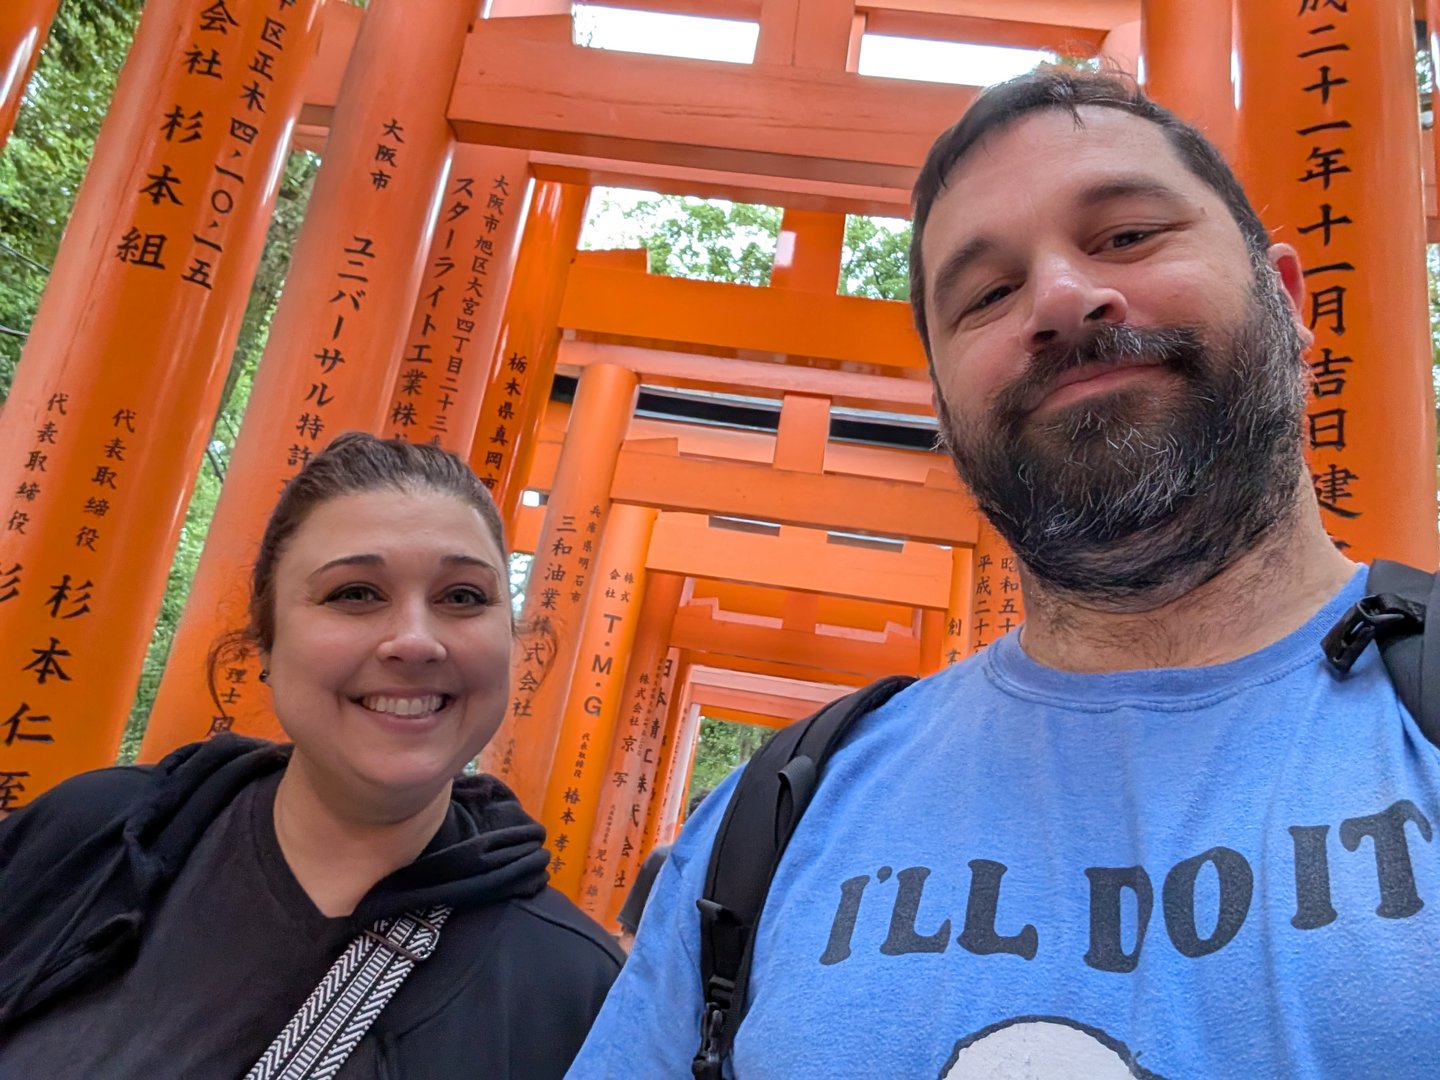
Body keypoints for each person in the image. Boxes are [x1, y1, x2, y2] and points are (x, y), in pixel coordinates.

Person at [565, 69, 1440, 1079]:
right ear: (945, 413)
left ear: (1286, 300)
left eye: (1126, 235)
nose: (1063, 299)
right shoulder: (770, 826)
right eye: (987, 294)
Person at [0, 432, 623, 1077]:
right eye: (354, 593)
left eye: (463, 597)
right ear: (265, 644)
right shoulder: (95, 836)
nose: (415, 641)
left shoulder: (577, 991)